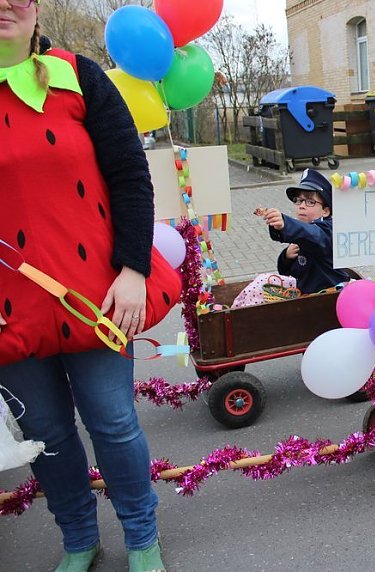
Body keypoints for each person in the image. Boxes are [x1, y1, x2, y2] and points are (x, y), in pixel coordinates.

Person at [0, 1, 178, 570]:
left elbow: (130, 174)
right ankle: (79, 539)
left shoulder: (80, 77)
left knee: (114, 422)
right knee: (45, 434)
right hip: (9, 308)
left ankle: (141, 537)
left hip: (97, 293)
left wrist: (133, 271)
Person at [262, 168, 349, 293]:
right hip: (306, 297)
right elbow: (289, 272)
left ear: (326, 211)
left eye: (310, 202)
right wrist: (286, 257)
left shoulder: (328, 229)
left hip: (331, 297)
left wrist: (285, 224)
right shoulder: (301, 232)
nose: (302, 206)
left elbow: (314, 235)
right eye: (299, 201)